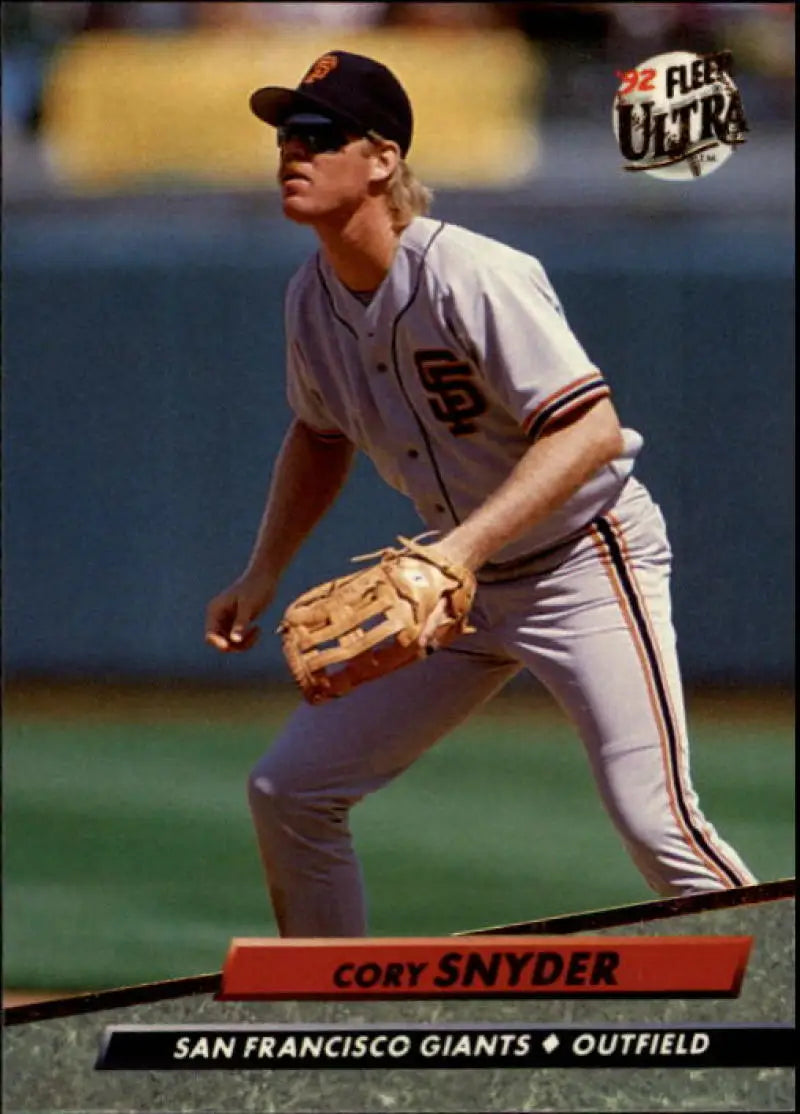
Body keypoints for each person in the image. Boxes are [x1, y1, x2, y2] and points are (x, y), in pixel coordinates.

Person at [205, 49, 755, 936]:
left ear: (382, 159)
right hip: (452, 586)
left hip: (582, 564)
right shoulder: (311, 297)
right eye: (284, 136)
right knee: (290, 790)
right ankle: (326, 1031)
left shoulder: (473, 273)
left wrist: (460, 549)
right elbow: (318, 434)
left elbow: (590, 428)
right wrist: (263, 569)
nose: (291, 152)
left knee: (661, 824)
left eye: (317, 135)